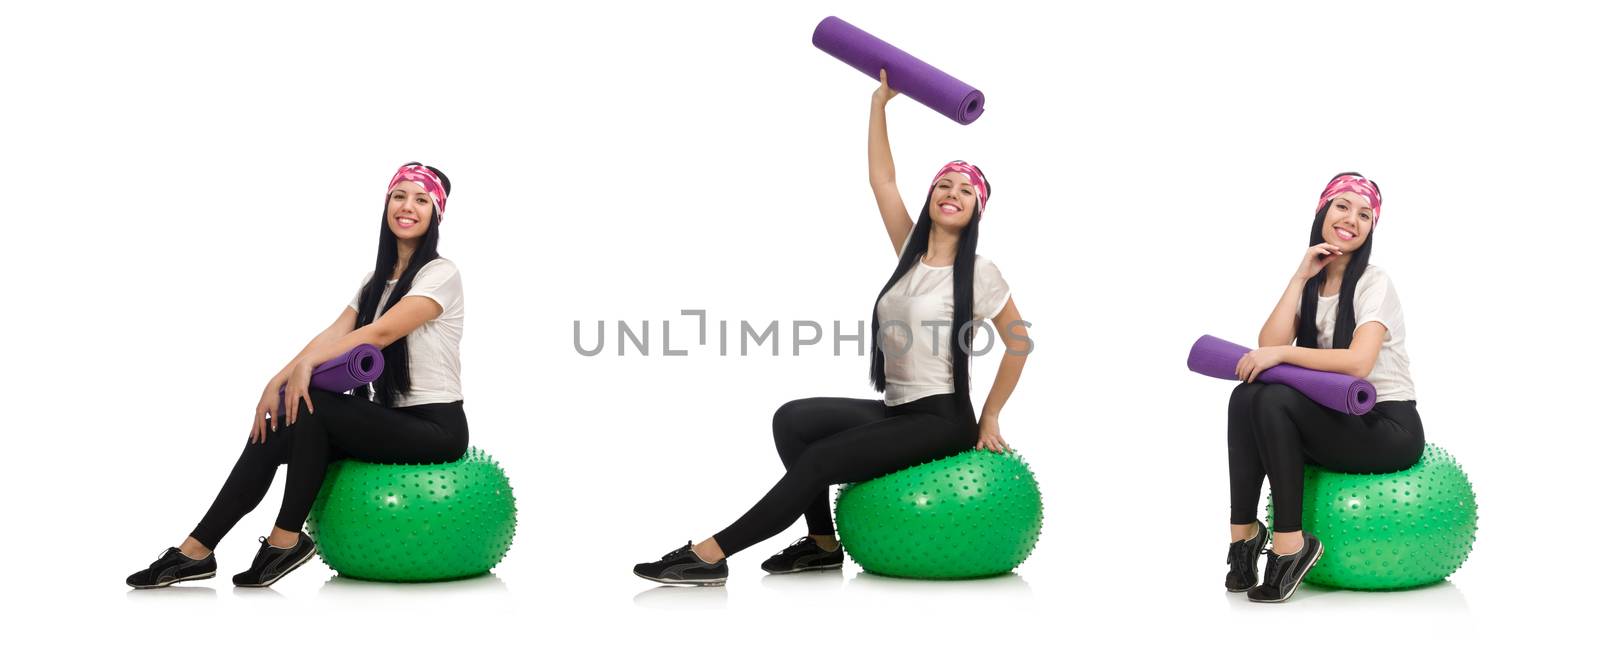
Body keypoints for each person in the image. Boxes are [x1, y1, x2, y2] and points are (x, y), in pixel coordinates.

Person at [634, 71, 1030, 585]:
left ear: (977, 209)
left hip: (942, 420)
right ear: (932, 196)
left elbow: (1019, 341)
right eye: (943, 185)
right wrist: (879, 105)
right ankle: (821, 545)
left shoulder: (979, 272)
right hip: (898, 410)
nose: (951, 193)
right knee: (793, 421)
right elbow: (882, 181)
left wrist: (991, 416)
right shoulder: (909, 253)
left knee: (819, 459)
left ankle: (711, 553)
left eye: (965, 191)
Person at [126, 162, 469, 588]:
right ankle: (197, 549)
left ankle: (285, 540)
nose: (407, 207)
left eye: (421, 200)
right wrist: (276, 381)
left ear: (435, 214)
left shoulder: (441, 274)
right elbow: (331, 335)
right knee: (277, 425)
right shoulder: (374, 282)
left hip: (436, 428)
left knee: (313, 405)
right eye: (399, 196)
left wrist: (304, 373)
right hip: (392, 421)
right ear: (386, 204)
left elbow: (380, 332)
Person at [1223, 172, 1423, 602]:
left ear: (1372, 227)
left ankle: (1291, 545)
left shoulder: (1374, 282)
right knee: (1246, 395)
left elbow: (1357, 362)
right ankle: (1243, 536)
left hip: (1388, 427)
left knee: (1272, 395)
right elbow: (1268, 344)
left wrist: (1283, 355)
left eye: (1365, 214)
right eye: (1342, 206)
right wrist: (1299, 278)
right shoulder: (1312, 282)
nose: (1352, 219)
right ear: (1323, 211)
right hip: (1340, 421)